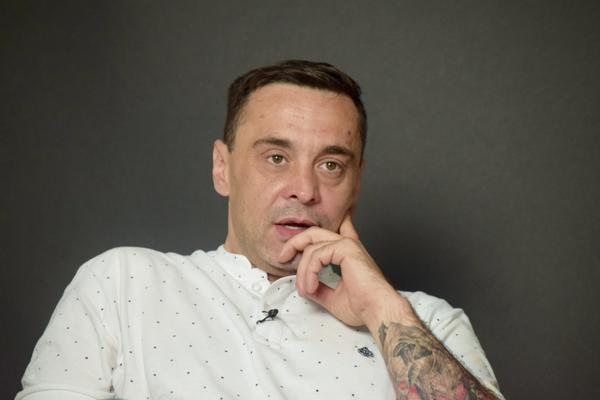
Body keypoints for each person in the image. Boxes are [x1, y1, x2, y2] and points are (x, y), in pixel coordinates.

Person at [16, 60, 504, 400]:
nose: (304, 189)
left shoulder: (426, 323)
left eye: (331, 165)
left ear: (356, 184)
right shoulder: (121, 284)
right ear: (222, 168)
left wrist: (381, 307)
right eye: (276, 157)